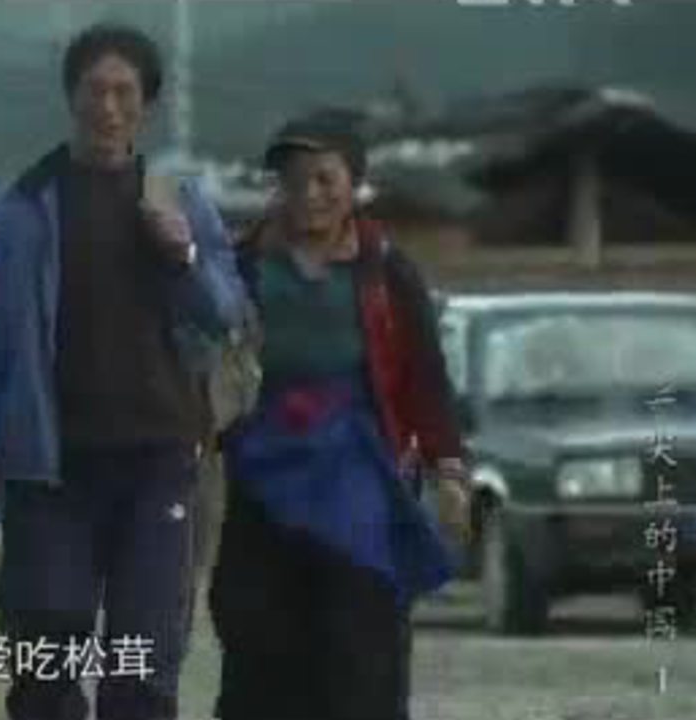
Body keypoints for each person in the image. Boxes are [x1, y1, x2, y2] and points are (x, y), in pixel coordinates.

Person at [0, 23, 245, 720]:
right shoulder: (19, 208)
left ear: (147, 106)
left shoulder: (179, 200)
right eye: (95, 90)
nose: (108, 107)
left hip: (159, 460)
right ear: (71, 97)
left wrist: (184, 256)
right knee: (44, 649)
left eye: (124, 93)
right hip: (51, 466)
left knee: (144, 656)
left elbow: (227, 315)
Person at [207, 108, 472, 720]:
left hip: (357, 467)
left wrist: (449, 469)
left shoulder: (387, 270)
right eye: (294, 179)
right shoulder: (241, 264)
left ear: (354, 184)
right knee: (256, 629)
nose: (310, 194)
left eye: (325, 178)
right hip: (265, 471)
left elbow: (425, 379)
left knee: (360, 633)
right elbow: (198, 352)